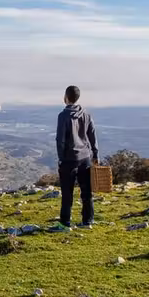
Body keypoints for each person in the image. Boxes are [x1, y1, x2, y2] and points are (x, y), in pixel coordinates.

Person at [49, 86, 98, 233]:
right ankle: (88, 220)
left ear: (66, 97)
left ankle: (65, 223)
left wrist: (61, 158)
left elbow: (60, 140)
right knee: (87, 192)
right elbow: (92, 135)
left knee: (67, 192)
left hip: (69, 160)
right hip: (86, 158)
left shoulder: (63, 116)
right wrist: (95, 155)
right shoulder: (86, 114)